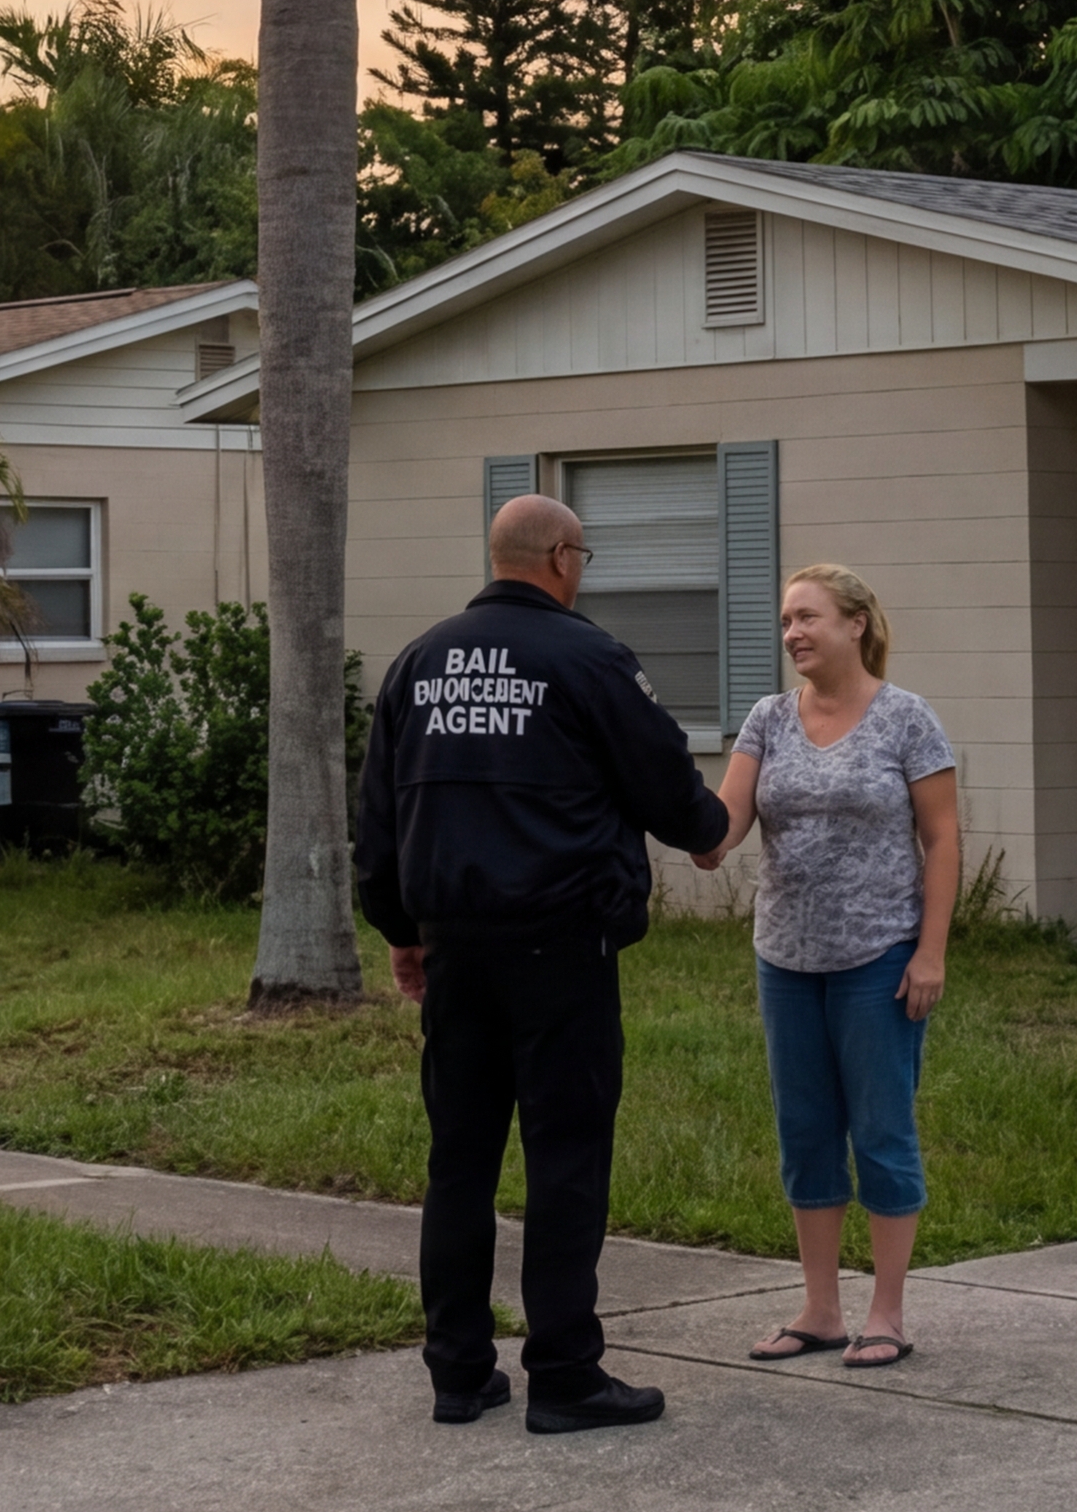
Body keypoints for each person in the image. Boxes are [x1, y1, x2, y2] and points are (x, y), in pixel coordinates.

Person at [356, 492, 728, 1433]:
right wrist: (709, 829)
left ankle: (458, 1373)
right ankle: (564, 1375)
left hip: (456, 952)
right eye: (583, 557)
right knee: (565, 1159)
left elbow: (379, 815)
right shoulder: (588, 658)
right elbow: (663, 778)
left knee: (460, 1161)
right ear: (561, 558)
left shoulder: (419, 662)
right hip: (563, 948)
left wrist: (400, 930)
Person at [695, 562, 961, 1370]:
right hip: (785, 958)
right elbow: (722, 828)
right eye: (786, 621)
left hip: (879, 957)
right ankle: (820, 1310)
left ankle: (887, 1313)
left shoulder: (906, 718)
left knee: (881, 1129)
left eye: (807, 617)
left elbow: (942, 839)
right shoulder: (768, 719)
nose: (792, 634)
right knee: (805, 1132)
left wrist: (930, 952)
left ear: (855, 623)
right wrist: (683, 822)